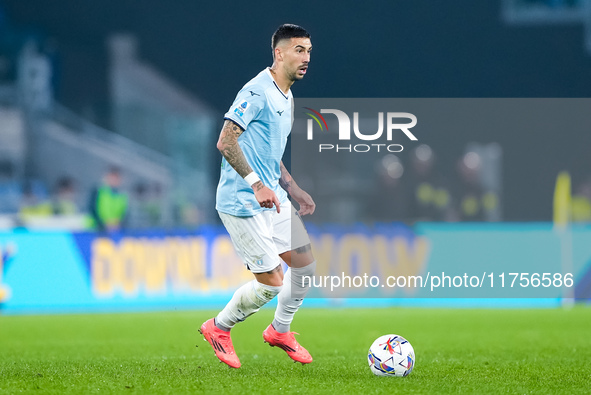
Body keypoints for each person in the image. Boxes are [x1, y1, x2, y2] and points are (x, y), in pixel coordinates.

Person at [199, 24, 316, 369]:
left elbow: (265, 149)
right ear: (279, 53)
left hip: (273, 197)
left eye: (309, 50)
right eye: (299, 50)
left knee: (305, 267)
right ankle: (218, 327)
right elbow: (226, 141)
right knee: (271, 285)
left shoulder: (286, 93)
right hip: (243, 202)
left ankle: (280, 331)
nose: (306, 57)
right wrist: (255, 184)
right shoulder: (257, 92)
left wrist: (291, 186)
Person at [88, 166, 128, 232]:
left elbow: (124, 214)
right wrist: (104, 224)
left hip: (115, 230)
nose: (114, 180)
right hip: (96, 230)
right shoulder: (98, 191)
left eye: (116, 178)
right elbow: (92, 210)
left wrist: (118, 224)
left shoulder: (122, 195)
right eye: (112, 177)